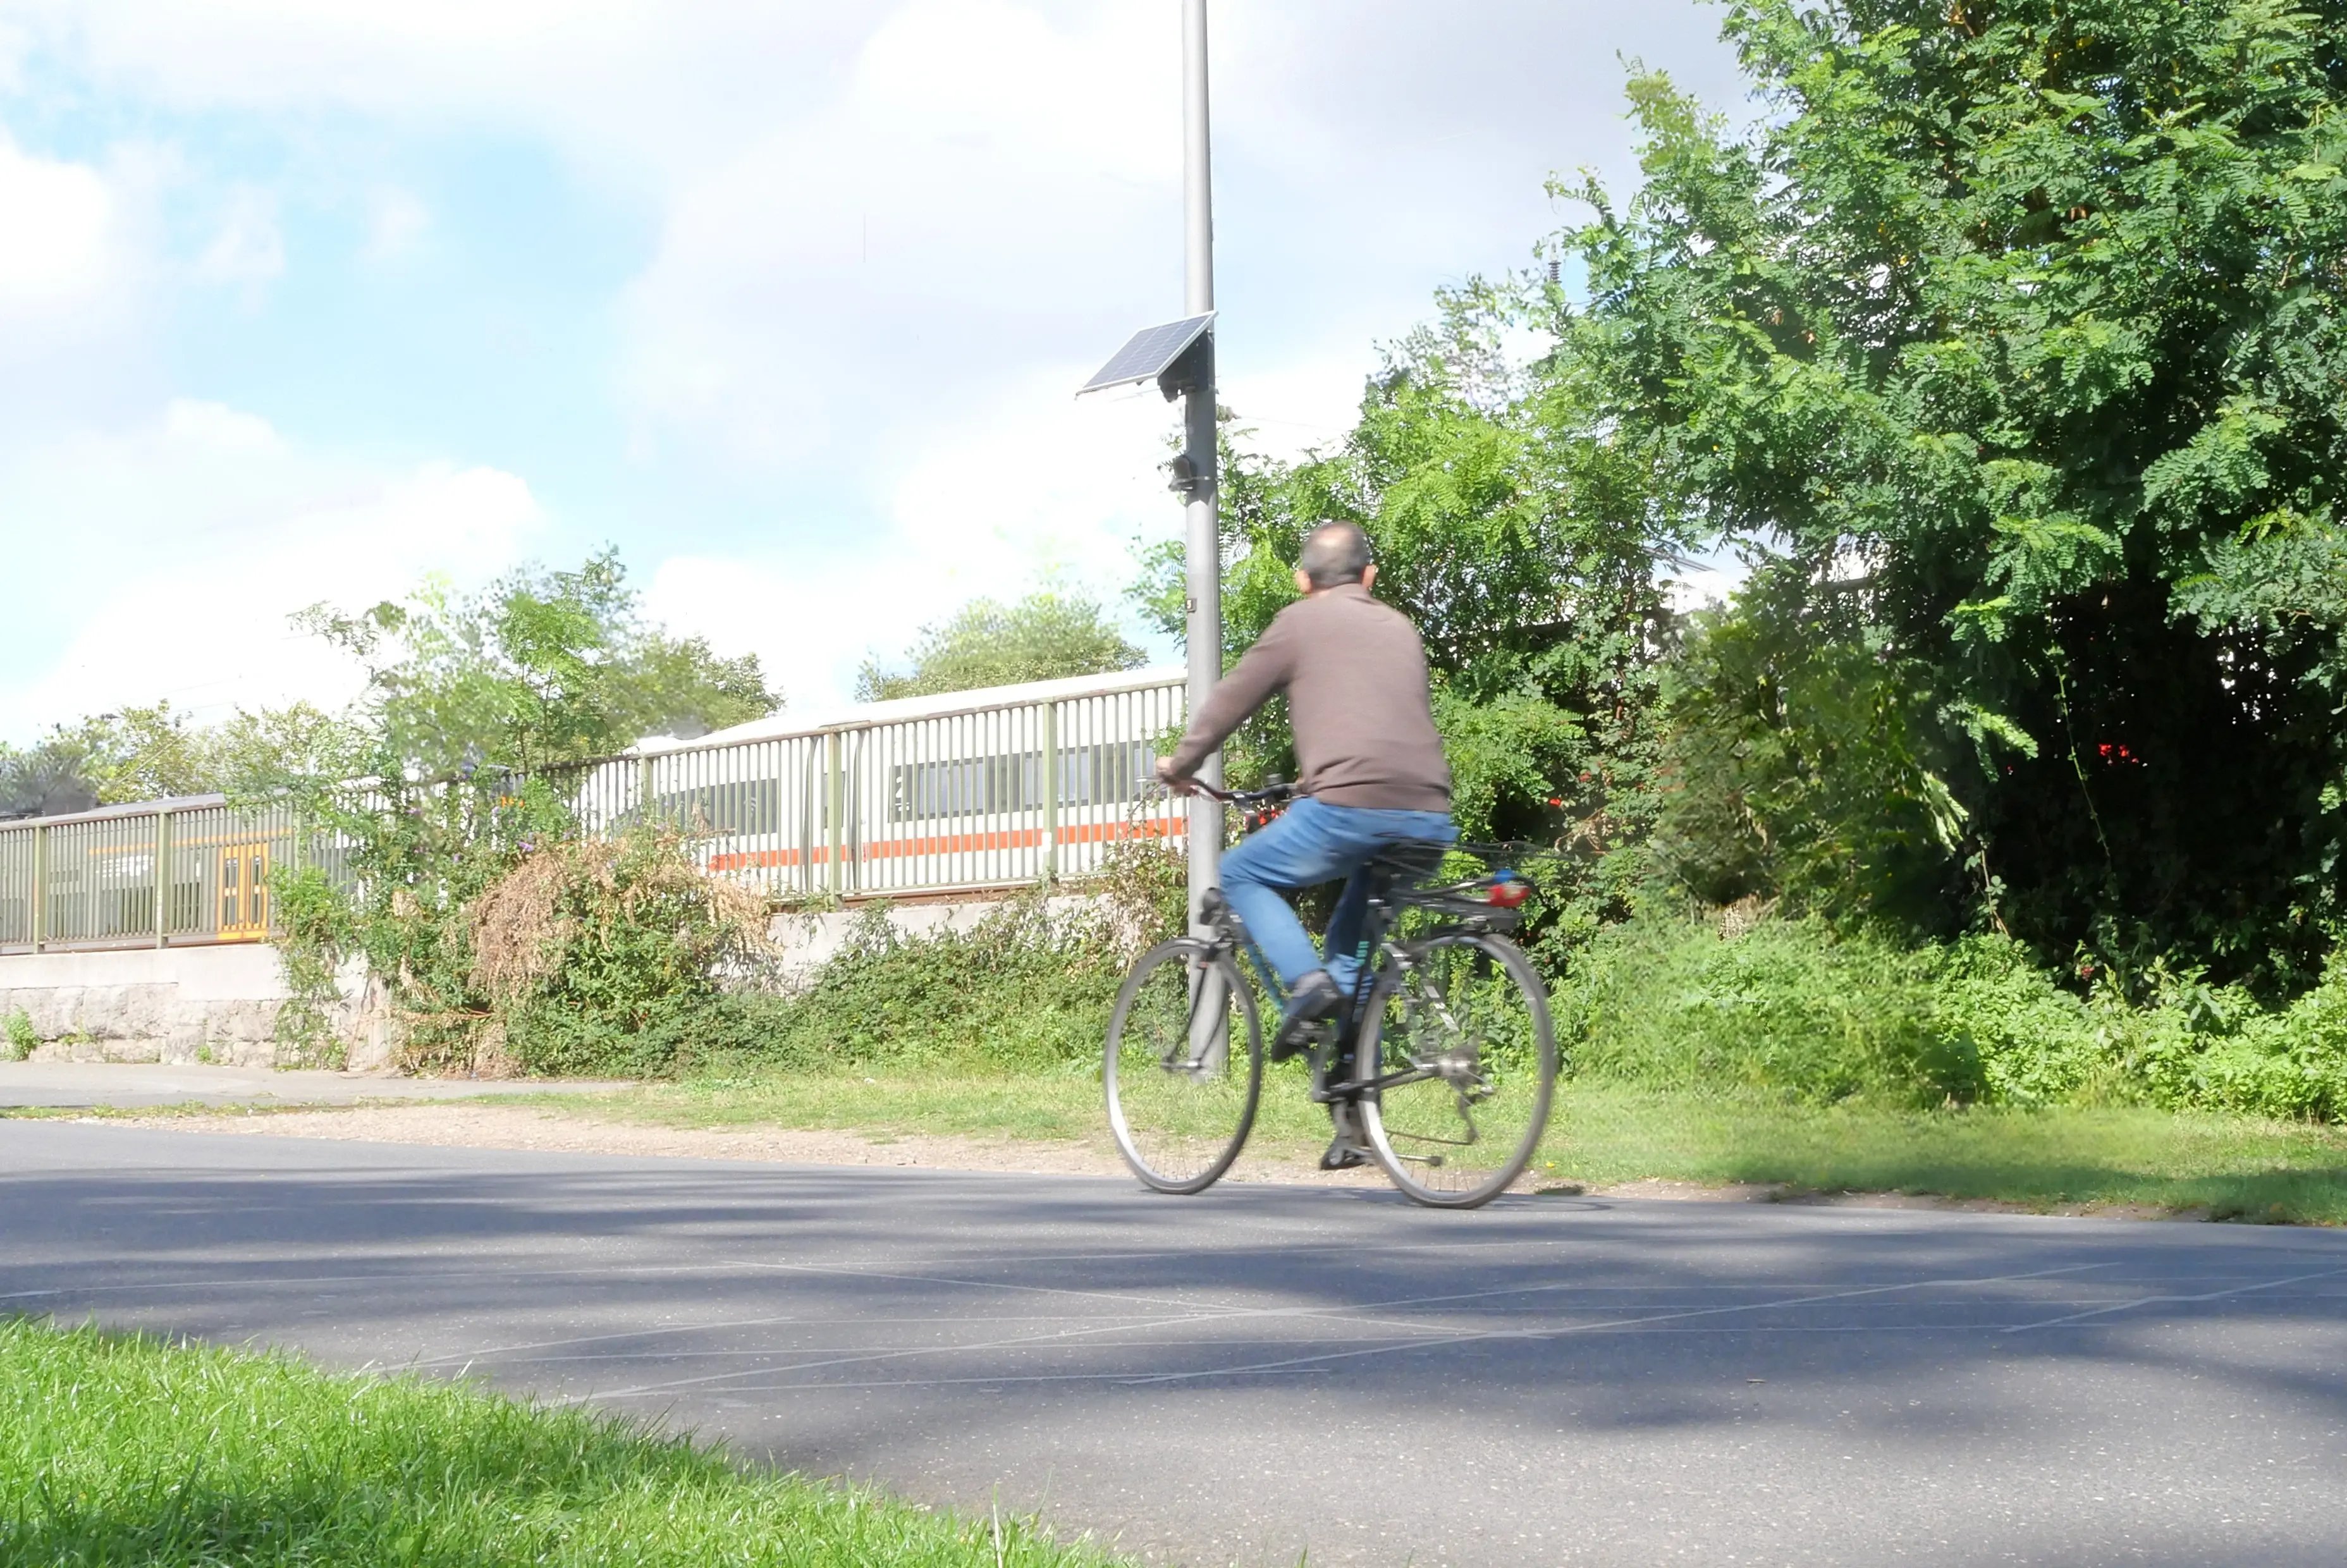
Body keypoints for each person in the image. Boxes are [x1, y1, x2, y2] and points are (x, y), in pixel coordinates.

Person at [1156, 521, 1456, 1167]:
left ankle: (1305, 987)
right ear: (1369, 578)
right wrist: (1307, 781)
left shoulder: (1299, 621)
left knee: (1239, 872)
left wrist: (1181, 763)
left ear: (1302, 579)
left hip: (1351, 808)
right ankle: (1352, 1127)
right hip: (1429, 814)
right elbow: (1376, 726)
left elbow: (1231, 698)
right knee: (1348, 951)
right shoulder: (1399, 626)